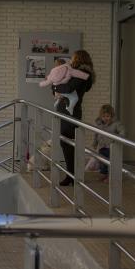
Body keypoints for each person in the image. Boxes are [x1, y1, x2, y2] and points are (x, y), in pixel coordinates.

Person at [51, 50, 95, 186]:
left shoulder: (82, 75)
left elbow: (68, 88)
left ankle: (73, 176)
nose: (71, 60)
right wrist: (56, 86)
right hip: (66, 112)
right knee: (66, 144)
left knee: (68, 144)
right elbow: (59, 89)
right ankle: (71, 175)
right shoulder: (77, 74)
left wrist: (55, 84)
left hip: (70, 113)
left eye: (73, 58)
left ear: (78, 59)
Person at [93, 105, 125, 183]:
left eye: (108, 116)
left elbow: (123, 131)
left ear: (111, 116)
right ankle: (104, 175)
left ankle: (111, 177)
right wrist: (95, 143)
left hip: (111, 147)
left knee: (111, 163)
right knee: (103, 162)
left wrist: (117, 140)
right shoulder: (99, 124)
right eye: (103, 116)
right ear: (100, 116)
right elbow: (96, 134)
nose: (105, 118)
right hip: (102, 146)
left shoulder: (116, 124)